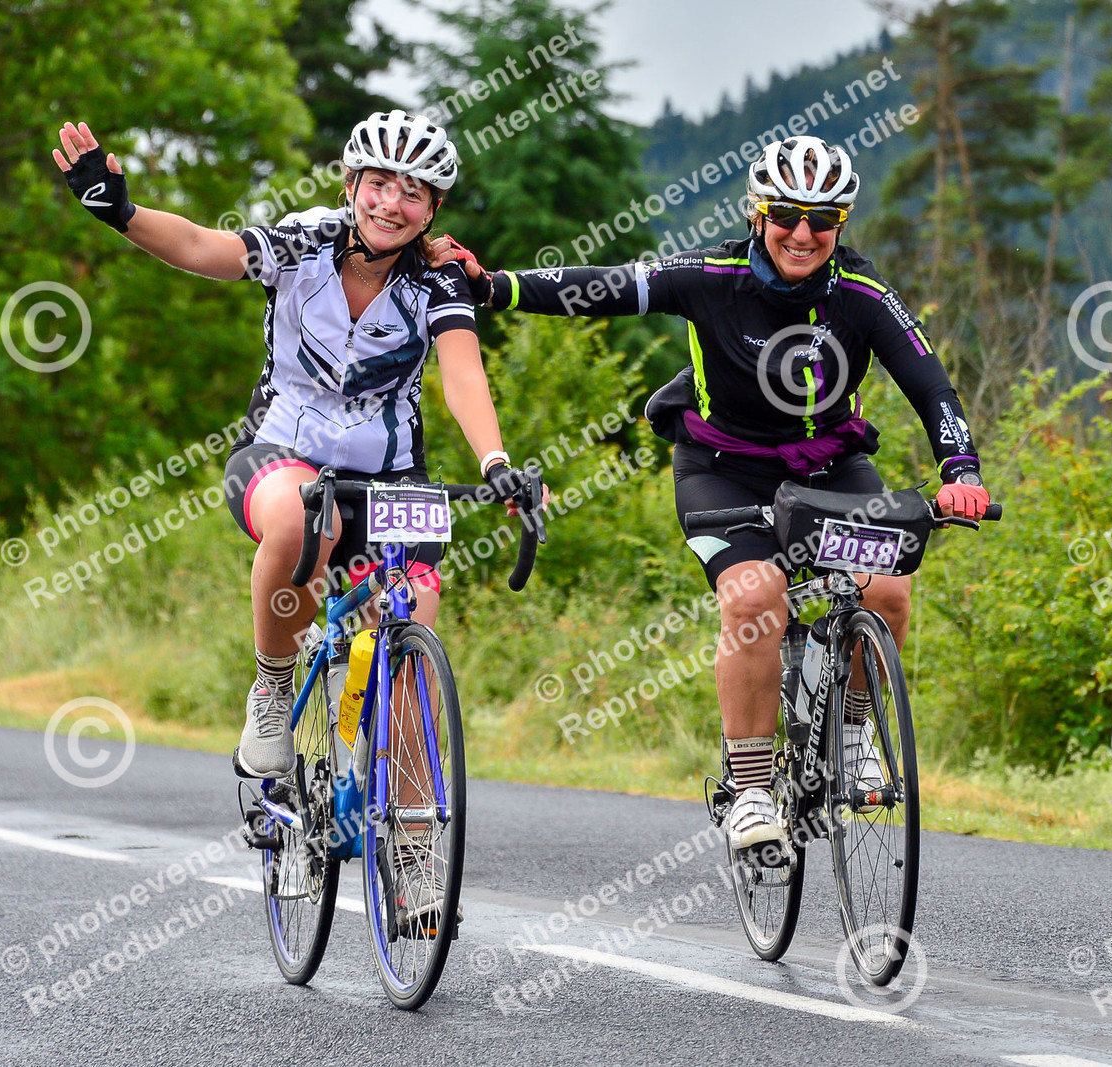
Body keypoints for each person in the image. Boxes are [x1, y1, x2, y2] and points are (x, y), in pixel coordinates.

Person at [435, 135, 989, 854]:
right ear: (758, 214)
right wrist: (492, 286)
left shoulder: (862, 293)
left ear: (841, 225)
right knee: (755, 598)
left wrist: (961, 471)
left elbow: (931, 384)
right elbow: (603, 287)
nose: (802, 234)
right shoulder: (710, 275)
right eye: (785, 215)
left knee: (887, 587)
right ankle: (751, 788)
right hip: (722, 468)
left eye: (822, 220)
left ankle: (853, 737)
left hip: (831, 466)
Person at [53, 110, 537, 785]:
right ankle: (274, 688)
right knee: (309, 518)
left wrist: (496, 463)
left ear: (432, 209)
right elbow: (202, 246)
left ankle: (414, 830)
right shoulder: (304, 240)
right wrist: (121, 213)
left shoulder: (439, 278)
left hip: (391, 477)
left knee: (410, 638)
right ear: (351, 183)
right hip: (280, 454)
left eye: (413, 193)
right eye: (379, 184)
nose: (391, 204)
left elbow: (463, 375)